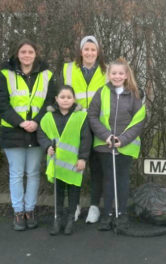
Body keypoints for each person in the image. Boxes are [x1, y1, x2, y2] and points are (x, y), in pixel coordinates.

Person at [0, 39, 56, 231]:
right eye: (23, 52)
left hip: (37, 131)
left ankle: (30, 210)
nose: (26, 55)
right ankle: (18, 212)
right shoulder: (5, 74)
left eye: (30, 52)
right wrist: (21, 122)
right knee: (16, 174)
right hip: (13, 130)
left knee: (33, 173)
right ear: (18, 54)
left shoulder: (47, 74)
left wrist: (37, 121)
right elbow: (2, 103)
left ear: (35, 54)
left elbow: (50, 101)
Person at [88, 57, 145, 231]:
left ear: (127, 75)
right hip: (105, 145)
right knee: (108, 180)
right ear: (109, 74)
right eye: (114, 73)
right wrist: (107, 136)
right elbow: (92, 116)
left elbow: (139, 120)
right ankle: (107, 215)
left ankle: (122, 214)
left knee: (122, 180)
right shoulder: (101, 92)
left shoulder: (135, 94)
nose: (117, 76)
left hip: (126, 145)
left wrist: (123, 139)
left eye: (121, 73)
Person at [60, 36, 107, 223]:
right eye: (86, 49)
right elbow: (62, 94)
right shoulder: (68, 69)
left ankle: (94, 206)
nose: (89, 53)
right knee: (75, 166)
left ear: (98, 52)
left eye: (93, 49)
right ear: (81, 51)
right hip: (76, 123)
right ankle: (75, 206)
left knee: (96, 168)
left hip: (98, 124)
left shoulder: (106, 70)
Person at [37, 85, 92, 235]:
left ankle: (70, 220)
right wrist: (47, 146)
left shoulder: (81, 116)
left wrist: (83, 158)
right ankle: (57, 219)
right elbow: (41, 134)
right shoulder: (48, 117)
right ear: (56, 99)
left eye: (69, 97)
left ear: (74, 99)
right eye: (62, 97)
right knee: (59, 193)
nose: (65, 100)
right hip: (57, 163)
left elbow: (86, 139)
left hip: (75, 163)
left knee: (74, 192)